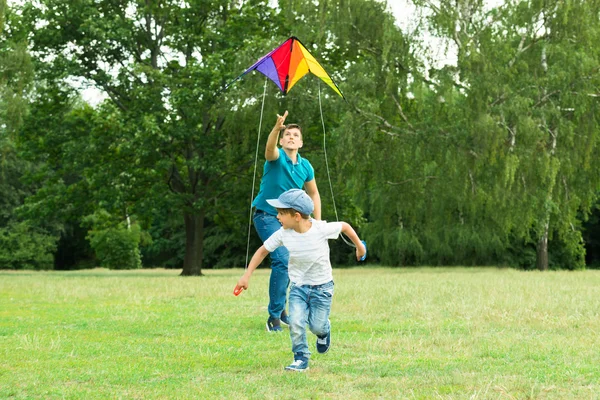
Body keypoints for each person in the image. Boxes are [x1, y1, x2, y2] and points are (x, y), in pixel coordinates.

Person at [235, 189, 366, 372]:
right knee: (295, 322)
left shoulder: (320, 228)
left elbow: (344, 226)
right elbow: (263, 250)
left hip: (322, 288)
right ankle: (300, 357)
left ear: (296, 216)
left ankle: (324, 331)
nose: (277, 217)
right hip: (298, 287)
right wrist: (246, 275)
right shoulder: (283, 233)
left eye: (281, 213)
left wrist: (359, 247)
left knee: (316, 325)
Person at [251, 110, 321, 332]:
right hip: (266, 215)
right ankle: (273, 317)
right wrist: (275, 128)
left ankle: (281, 310)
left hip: (289, 219)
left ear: (301, 142)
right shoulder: (276, 158)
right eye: (287, 134)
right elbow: (268, 149)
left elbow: (314, 195)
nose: (291, 137)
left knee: (291, 262)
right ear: (282, 140)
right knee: (282, 259)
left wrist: (316, 224)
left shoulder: (306, 166)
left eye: (295, 135)